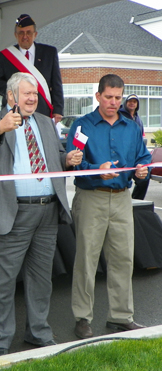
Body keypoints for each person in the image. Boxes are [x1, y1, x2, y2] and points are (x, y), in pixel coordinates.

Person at [0, 72, 82, 357]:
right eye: (27, 93)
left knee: (42, 279)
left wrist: (66, 159)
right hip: (10, 213)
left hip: (47, 211)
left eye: (35, 94)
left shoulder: (44, 122)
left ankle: (38, 332)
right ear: (11, 96)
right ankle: (1, 341)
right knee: (1, 282)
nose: (32, 98)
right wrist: (1, 128)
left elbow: (53, 156)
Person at [67, 74, 151, 340]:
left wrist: (142, 172)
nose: (114, 102)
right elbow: (74, 163)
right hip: (92, 198)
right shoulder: (82, 126)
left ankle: (121, 316)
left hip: (123, 200)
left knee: (123, 259)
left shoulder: (131, 127)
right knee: (86, 261)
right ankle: (82, 318)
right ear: (98, 96)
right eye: (109, 97)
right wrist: (95, 170)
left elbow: (143, 159)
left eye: (118, 97)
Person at [0, 14, 63, 123]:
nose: (25, 36)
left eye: (29, 33)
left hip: (42, 110)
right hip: (14, 112)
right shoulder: (5, 56)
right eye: (21, 33)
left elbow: (56, 83)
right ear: (15, 35)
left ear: (35, 34)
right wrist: (15, 92)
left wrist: (58, 110)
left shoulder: (49, 53)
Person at [119, 94, 149, 200]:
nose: (132, 103)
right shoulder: (120, 116)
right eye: (130, 101)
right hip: (122, 155)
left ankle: (136, 201)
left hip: (135, 154)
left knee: (144, 178)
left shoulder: (138, 119)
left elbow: (140, 137)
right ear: (125, 103)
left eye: (134, 102)